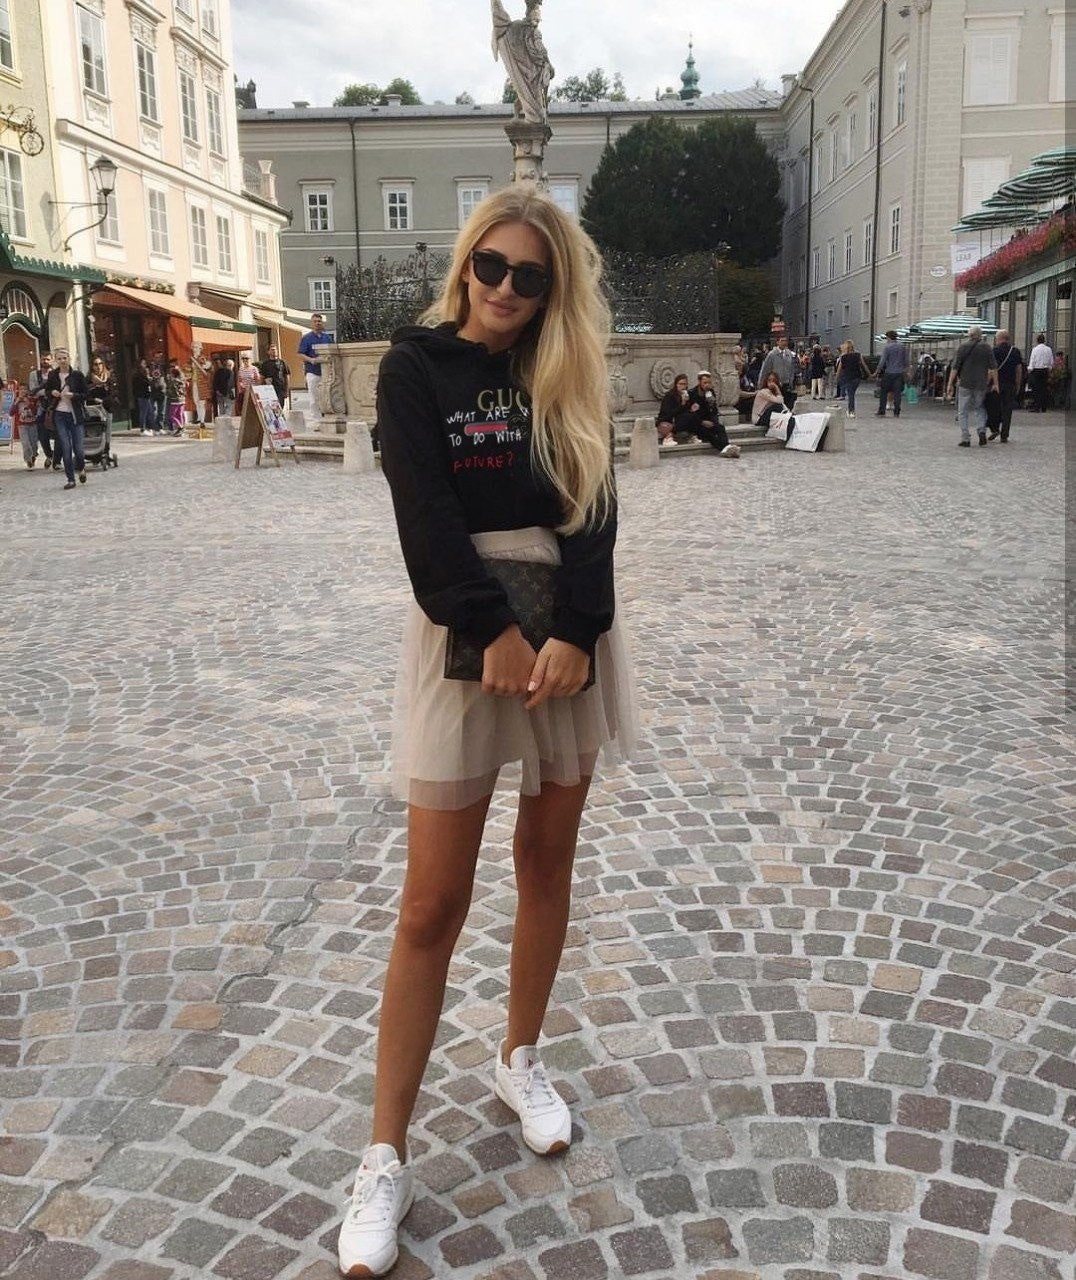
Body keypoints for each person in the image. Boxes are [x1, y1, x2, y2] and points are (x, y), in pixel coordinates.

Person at [342, 186, 637, 1279]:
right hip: (466, 630)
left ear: (555, 288)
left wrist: (576, 632)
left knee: (545, 860)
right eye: (492, 265)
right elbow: (423, 518)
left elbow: (594, 511)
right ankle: (384, 1153)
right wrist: (490, 629)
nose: (507, 288)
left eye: (531, 275)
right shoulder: (416, 366)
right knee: (432, 901)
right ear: (465, 263)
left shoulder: (566, 369)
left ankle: (519, 1057)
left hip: (565, 640)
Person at [946, 325, 999, 447]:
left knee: (963, 411)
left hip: (965, 383)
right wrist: (996, 383)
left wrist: (950, 383)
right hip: (981, 383)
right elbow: (993, 367)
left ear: (969, 335)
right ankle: (981, 430)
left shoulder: (963, 347)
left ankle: (965, 438)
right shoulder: (986, 347)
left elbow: (955, 367)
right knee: (979, 407)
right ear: (980, 335)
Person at [44, 348, 89, 489]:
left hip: (75, 415)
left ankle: (81, 468)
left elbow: (86, 394)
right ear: (56, 360)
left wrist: (73, 395)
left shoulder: (77, 375)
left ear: (69, 358)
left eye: (65, 358)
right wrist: (52, 392)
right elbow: (47, 391)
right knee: (65, 447)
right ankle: (70, 479)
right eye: (59, 358)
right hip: (60, 415)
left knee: (79, 450)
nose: (62, 361)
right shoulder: (53, 375)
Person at [677, 371, 741, 457]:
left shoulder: (710, 392)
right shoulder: (692, 393)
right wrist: (702, 422)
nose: (707, 385)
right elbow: (690, 413)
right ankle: (726, 448)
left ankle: (726, 448)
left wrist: (712, 405)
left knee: (720, 427)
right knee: (706, 432)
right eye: (705, 383)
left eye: (709, 382)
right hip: (697, 423)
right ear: (699, 382)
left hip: (709, 420)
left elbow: (714, 411)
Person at [986, 330, 1023, 443]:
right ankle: (1004, 435)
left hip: (996, 384)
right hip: (1010, 384)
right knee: (1007, 410)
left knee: (994, 407)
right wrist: (1018, 384)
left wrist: (987, 382)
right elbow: (1018, 370)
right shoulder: (1015, 351)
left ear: (1000, 338)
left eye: (996, 339)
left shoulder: (994, 351)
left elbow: (991, 369)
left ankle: (995, 429)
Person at [298, 313, 331, 413]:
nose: (317, 323)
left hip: (326, 372)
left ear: (322, 323)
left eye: (319, 321)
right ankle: (316, 419)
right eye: (315, 321)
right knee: (314, 398)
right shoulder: (306, 338)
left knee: (326, 397)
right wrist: (311, 360)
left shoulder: (327, 337)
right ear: (311, 323)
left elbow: (332, 352)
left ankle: (326, 417)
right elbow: (300, 354)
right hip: (313, 372)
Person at [874, 329, 909, 417]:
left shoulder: (887, 347)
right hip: (899, 373)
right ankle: (897, 412)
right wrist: (906, 371)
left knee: (883, 392)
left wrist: (876, 372)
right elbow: (906, 361)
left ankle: (882, 411)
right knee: (897, 393)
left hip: (889, 372)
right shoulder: (902, 347)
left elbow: (882, 362)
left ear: (889, 337)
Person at [758, 335, 798, 410]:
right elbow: (765, 370)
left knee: (787, 405)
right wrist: (760, 385)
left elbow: (792, 369)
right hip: (775, 384)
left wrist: (791, 381)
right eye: (782, 341)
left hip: (786, 384)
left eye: (785, 341)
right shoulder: (772, 354)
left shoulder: (789, 354)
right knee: (777, 405)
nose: (784, 343)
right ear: (777, 342)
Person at [28, 352, 54, 467]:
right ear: (40, 360)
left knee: (59, 435)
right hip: (41, 409)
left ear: (52, 360)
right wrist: (49, 392)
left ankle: (57, 459)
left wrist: (43, 392)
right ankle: (49, 455)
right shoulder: (34, 374)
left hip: (55, 407)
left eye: (48, 359)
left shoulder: (56, 374)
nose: (45, 361)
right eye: (43, 359)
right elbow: (33, 391)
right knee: (43, 436)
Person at [835, 342, 870, 419]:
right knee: (852, 393)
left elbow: (839, 369)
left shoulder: (843, 357)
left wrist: (837, 378)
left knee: (851, 395)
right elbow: (864, 365)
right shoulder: (858, 355)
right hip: (857, 378)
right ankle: (850, 410)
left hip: (848, 377)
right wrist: (870, 374)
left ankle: (851, 411)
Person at [752, 371, 792, 437]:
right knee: (777, 406)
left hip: (765, 416)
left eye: (773, 381)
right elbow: (780, 401)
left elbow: (782, 404)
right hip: (758, 419)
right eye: (769, 380)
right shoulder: (764, 391)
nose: (771, 383)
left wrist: (789, 412)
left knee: (781, 409)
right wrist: (777, 388)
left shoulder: (772, 393)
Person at [655, 373, 689, 446]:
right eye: (680, 384)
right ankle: (668, 437)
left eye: (685, 384)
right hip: (667, 421)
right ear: (676, 384)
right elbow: (668, 414)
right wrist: (682, 404)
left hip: (679, 421)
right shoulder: (670, 396)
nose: (683, 386)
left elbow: (686, 412)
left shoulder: (687, 395)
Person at [1026, 332, 1053, 412]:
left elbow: (1032, 360)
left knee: (1036, 389)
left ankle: (1036, 407)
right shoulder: (1048, 349)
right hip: (1045, 370)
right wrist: (1049, 369)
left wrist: (1030, 369)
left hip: (1036, 371)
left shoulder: (1035, 349)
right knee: (1044, 389)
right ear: (1044, 340)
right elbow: (1051, 361)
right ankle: (1044, 407)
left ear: (1037, 340)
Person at [258, 343, 291, 408]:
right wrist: (260, 390)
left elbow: (287, 377)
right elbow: (262, 378)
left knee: (280, 408)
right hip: (269, 390)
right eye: (272, 349)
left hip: (280, 390)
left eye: (275, 349)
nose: (274, 351)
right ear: (268, 352)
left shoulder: (282, 362)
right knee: (271, 408)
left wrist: (287, 390)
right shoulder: (265, 364)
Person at [133, 360, 154, 435]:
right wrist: (148, 379)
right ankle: (143, 429)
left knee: (148, 412)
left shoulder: (139, 374)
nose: (145, 365)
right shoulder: (139, 375)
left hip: (145, 395)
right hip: (143, 395)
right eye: (144, 363)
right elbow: (143, 384)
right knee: (143, 412)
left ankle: (148, 428)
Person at [165, 362, 186, 434]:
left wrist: (167, 392)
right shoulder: (182, 380)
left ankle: (180, 427)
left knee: (172, 415)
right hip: (182, 399)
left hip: (175, 400)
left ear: (173, 374)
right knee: (179, 414)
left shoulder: (173, 381)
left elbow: (170, 391)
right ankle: (181, 429)